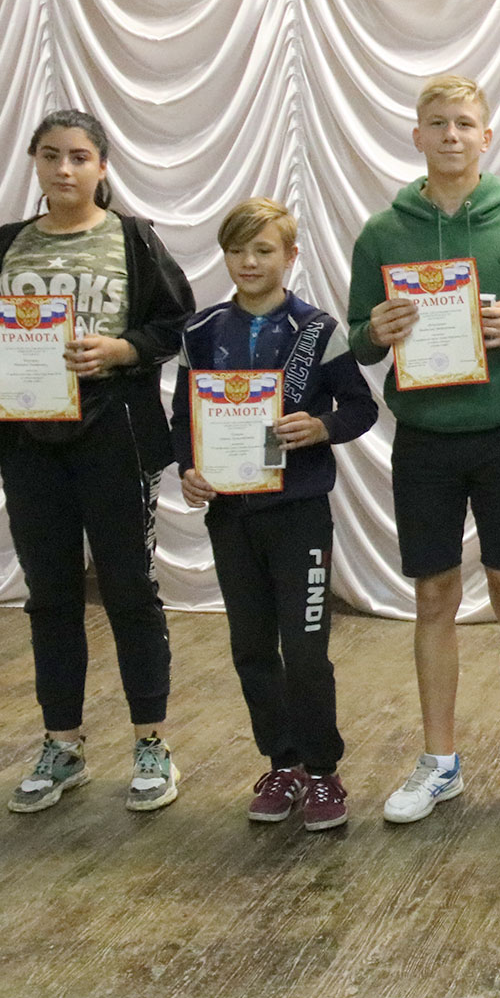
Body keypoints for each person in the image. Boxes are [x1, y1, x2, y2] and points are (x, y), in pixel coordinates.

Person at [346, 75, 500, 828]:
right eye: (438, 123)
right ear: (417, 135)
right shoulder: (383, 232)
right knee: (433, 598)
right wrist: (375, 331)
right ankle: (439, 761)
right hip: (423, 439)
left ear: (487, 136)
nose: (452, 135)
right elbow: (357, 339)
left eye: (465, 123)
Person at [0, 108, 195, 814]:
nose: (64, 169)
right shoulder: (7, 243)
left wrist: (121, 349)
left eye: (79, 156)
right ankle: (62, 743)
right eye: (51, 155)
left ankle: (152, 742)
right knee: (50, 595)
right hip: (29, 439)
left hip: (114, 436)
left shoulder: (132, 238)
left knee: (129, 591)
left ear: (102, 166)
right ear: (34, 161)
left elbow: (175, 323)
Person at [170, 198, 378, 830]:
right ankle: (282, 762)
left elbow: (361, 407)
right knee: (251, 646)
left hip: (299, 514)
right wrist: (189, 469)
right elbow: (183, 417)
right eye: (237, 250)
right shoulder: (201, 331)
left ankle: (323, 770)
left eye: (263, 250)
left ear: (290, 256)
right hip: (232, 517)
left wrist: (320, 427)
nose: (249, 262)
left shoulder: (317, 329)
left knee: (306, 649)